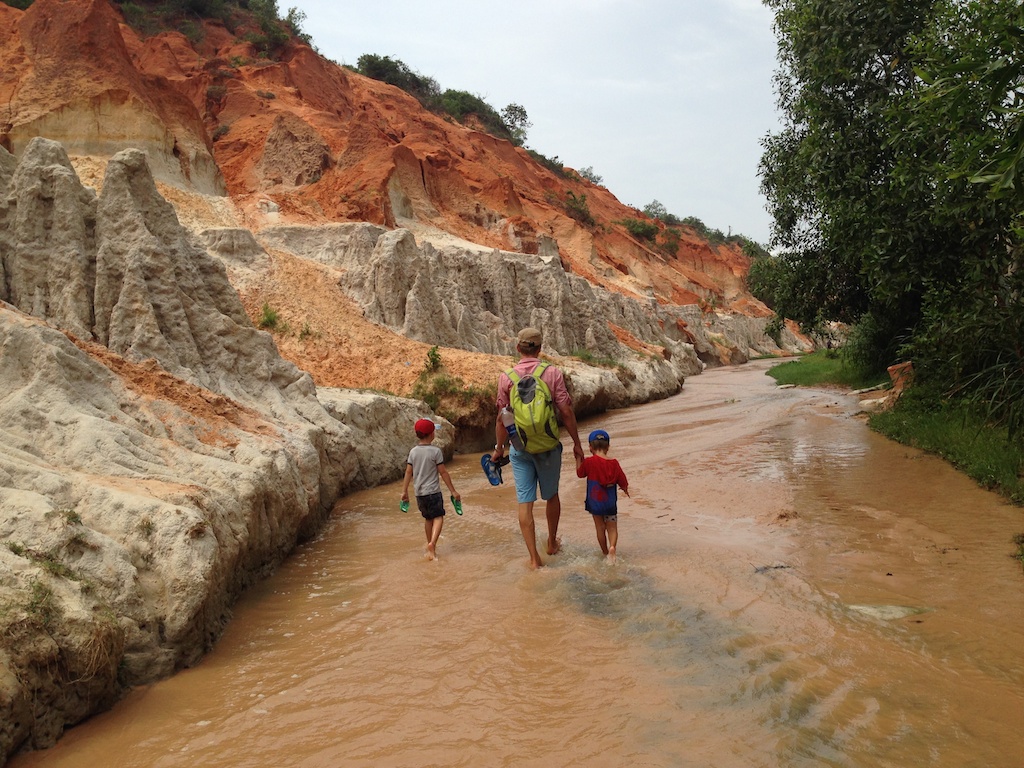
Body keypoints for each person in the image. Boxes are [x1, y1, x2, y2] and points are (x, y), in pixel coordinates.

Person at [491, 327, 584, 568]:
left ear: (517, 348)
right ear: (540, 349)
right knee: (551, 496)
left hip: (520, 449)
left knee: (525, 502)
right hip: (548, 447)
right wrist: (577, 444)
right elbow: (565, 411)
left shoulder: (506, 378)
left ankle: (534, 559)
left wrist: (499, 448)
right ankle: (552, 543)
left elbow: (502, 418)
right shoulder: (551, 373)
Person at [401, 418, 460, 561]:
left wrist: (404, 492)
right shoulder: (435, 451)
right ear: (432, 434)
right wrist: (453, 491)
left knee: (428, 519)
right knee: (438, 517)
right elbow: (443, 472)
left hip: (419, 494)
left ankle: (430, 547)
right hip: (433, 492)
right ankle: (433, 543)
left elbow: (409, 472)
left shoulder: (413, 452)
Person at [576, 428, 629, 563]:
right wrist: (625, 489)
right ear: (608, 447)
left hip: (595, 503)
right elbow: (623, 481)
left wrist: (578, 459)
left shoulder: (589, 462)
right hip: (610, 502)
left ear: (590, 447)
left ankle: (605, 552)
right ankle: (612, 547)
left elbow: (580, 473)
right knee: (612, 527)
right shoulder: (614, 463)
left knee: (600, 528)